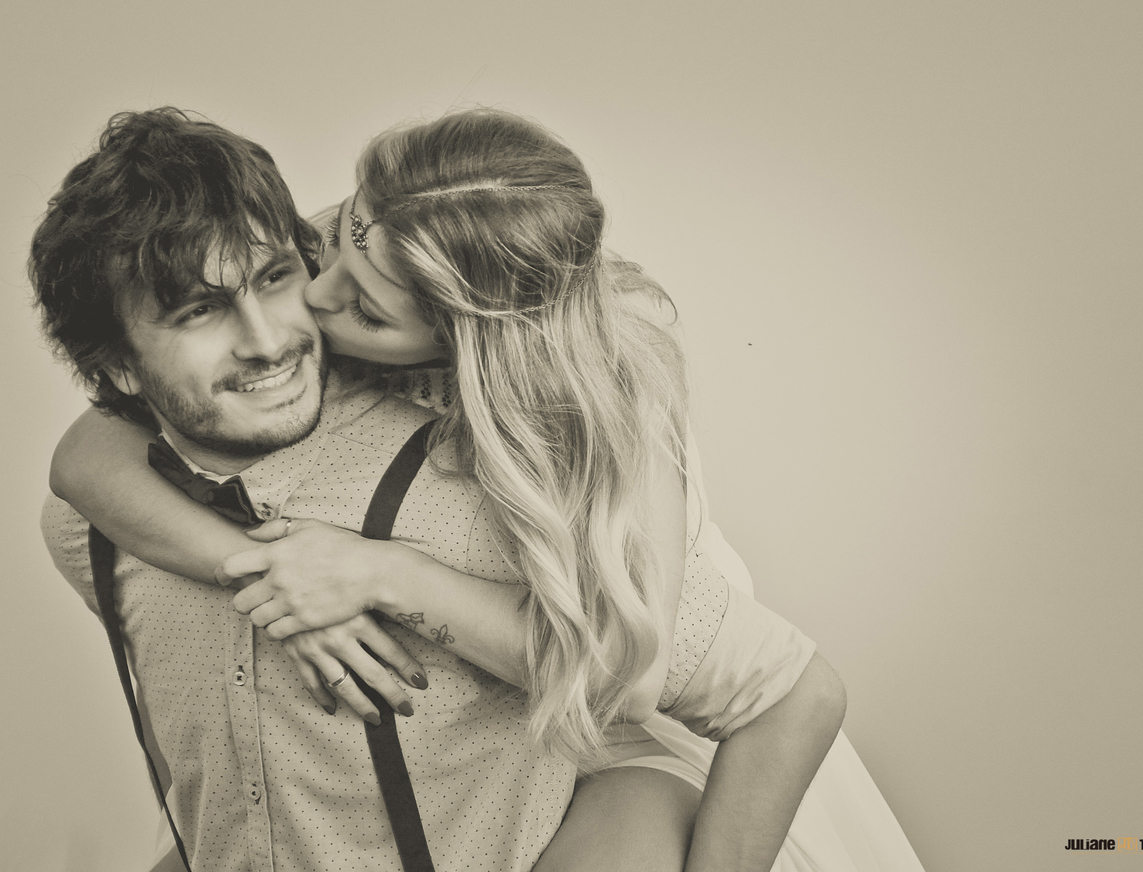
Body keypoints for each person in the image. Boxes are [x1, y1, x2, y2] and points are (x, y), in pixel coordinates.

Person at [37, 108, 852, 872]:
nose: (301, 314)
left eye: (362, 308)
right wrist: (259, 570)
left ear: (457, 337)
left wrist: (386, 574)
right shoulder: (105, 523)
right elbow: (79, 465)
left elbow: (658, 682)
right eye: (201, 311)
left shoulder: (524, 466)